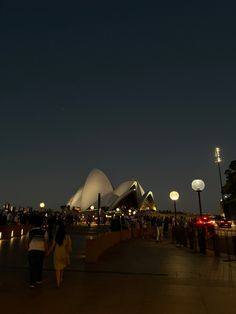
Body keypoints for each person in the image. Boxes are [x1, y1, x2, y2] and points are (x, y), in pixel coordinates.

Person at [25, 214, 48, 288]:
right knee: (39, 266)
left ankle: (32, 282)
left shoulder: (30, 232)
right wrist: (46, 251)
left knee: (32, 266)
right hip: (41, 251)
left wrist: (28, 249)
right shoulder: (44, 232)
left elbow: (26, 242)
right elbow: (46, 242)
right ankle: (38, 280)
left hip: (32, 250)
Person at [47, 222, 72, 288]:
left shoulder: (56, 237)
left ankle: (58, 283)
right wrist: (68, 252)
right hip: (63, 253)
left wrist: (48, 253)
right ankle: (61, 278)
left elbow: (52, 247)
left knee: (57, 269)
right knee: (62, 267)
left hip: (56, 254)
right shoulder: (67, 237)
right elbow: (69, 247)